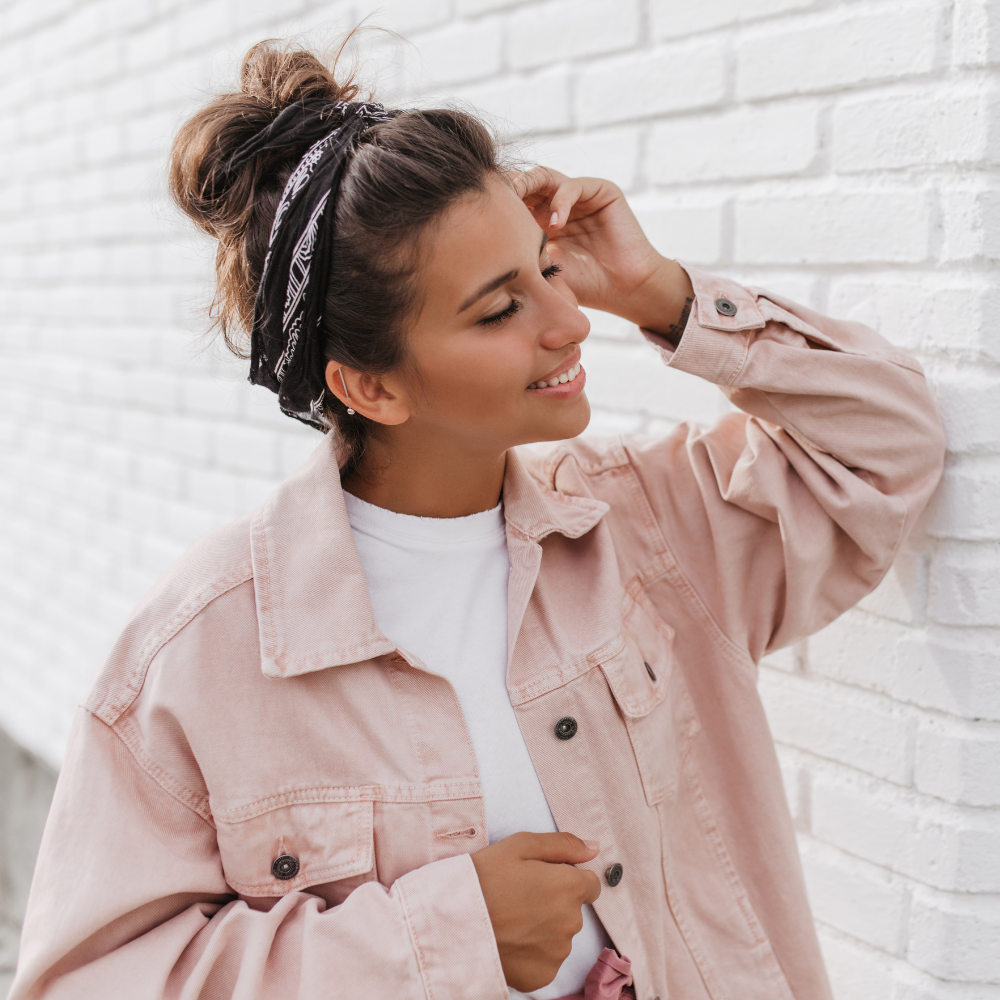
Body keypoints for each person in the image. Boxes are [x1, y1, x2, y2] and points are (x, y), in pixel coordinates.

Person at [10, 38, 945, 1000]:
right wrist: (444, 938)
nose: (570, 320)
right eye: (501, 309)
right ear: (368, 385)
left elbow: (890, 443)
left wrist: (658, 293)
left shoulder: (649, 527)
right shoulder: (203, 654)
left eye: (549, 269)